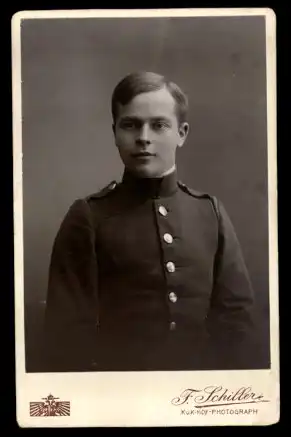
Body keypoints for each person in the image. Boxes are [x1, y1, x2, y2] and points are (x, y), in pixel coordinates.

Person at [44, 71, 255, 372]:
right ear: (115, 132)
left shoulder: (209, 212)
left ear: (181, 133)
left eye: (159, 125)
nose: (143, 137)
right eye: (131, 125)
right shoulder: (89, 217)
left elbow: (237, 321)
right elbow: (66, 336)